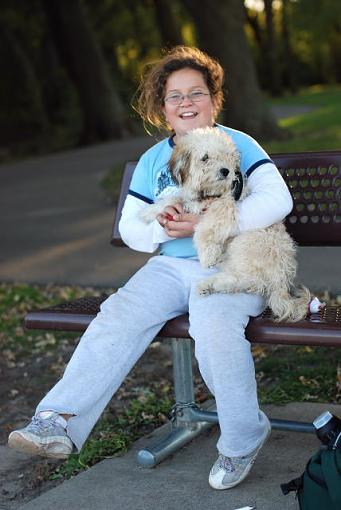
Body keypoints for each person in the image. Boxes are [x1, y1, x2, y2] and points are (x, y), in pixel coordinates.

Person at [8, 46, 293, 490]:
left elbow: (278, 201)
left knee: (214, 328)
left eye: (195, 93)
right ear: (163, 109)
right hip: (170, 268)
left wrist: (205, 224)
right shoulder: (153, 161)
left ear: (213, 100)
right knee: (118, 315)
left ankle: (242, 438)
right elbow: (132, 231)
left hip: (233, 265)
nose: (186, 103)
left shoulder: (237, 143)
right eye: (175, 96)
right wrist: (164, 228)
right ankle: (57, 421)